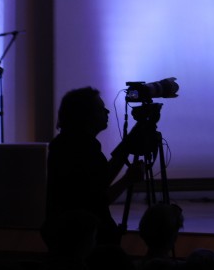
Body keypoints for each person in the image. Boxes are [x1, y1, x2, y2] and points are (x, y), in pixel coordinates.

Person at [44, 86, 148, 246]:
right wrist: (128, 179)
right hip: (82, 239)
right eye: (100, 108)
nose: (107, 111)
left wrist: (128, 145)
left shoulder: (68, 144)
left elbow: (101, 179)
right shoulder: (80, 148)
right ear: (84, 115)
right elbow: (97, 201)